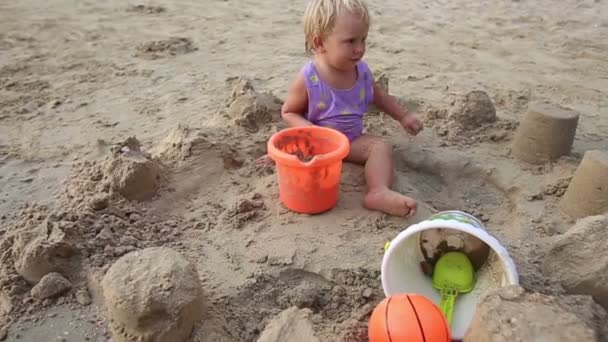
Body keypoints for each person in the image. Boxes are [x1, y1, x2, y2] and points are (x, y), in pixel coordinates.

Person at [269, 0, 423, 217]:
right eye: (350, 41)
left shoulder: (361, 71)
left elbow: (379, 96)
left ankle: (378, 191)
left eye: (363, 39)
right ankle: (276, 159)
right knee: (293, 148)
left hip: (351, 141)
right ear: (320, 42)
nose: (360, 48)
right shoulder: (309, 77)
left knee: (380, 147)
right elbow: (289, 111)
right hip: (318, 144)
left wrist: (403, 116)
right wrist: (313, 133)